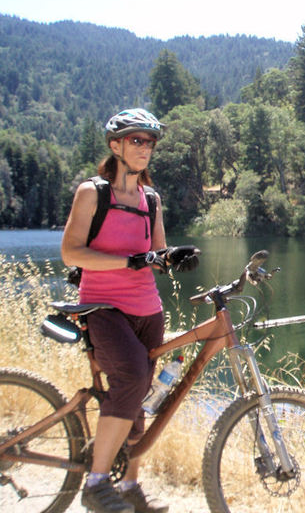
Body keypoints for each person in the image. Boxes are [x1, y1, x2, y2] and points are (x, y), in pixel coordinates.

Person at [61, 108, 199, 513]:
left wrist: (172, 258)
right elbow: (72, 252)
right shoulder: (93, 192)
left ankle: (129, 487)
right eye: (137, 140)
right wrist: (129, 261)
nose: (145, 148)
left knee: (143, 396)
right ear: (115, 145)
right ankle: (97, 482)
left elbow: (153, 255)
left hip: (147, 310)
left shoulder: (150, 198)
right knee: (132, 377)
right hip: (103, 306)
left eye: (150, 142)